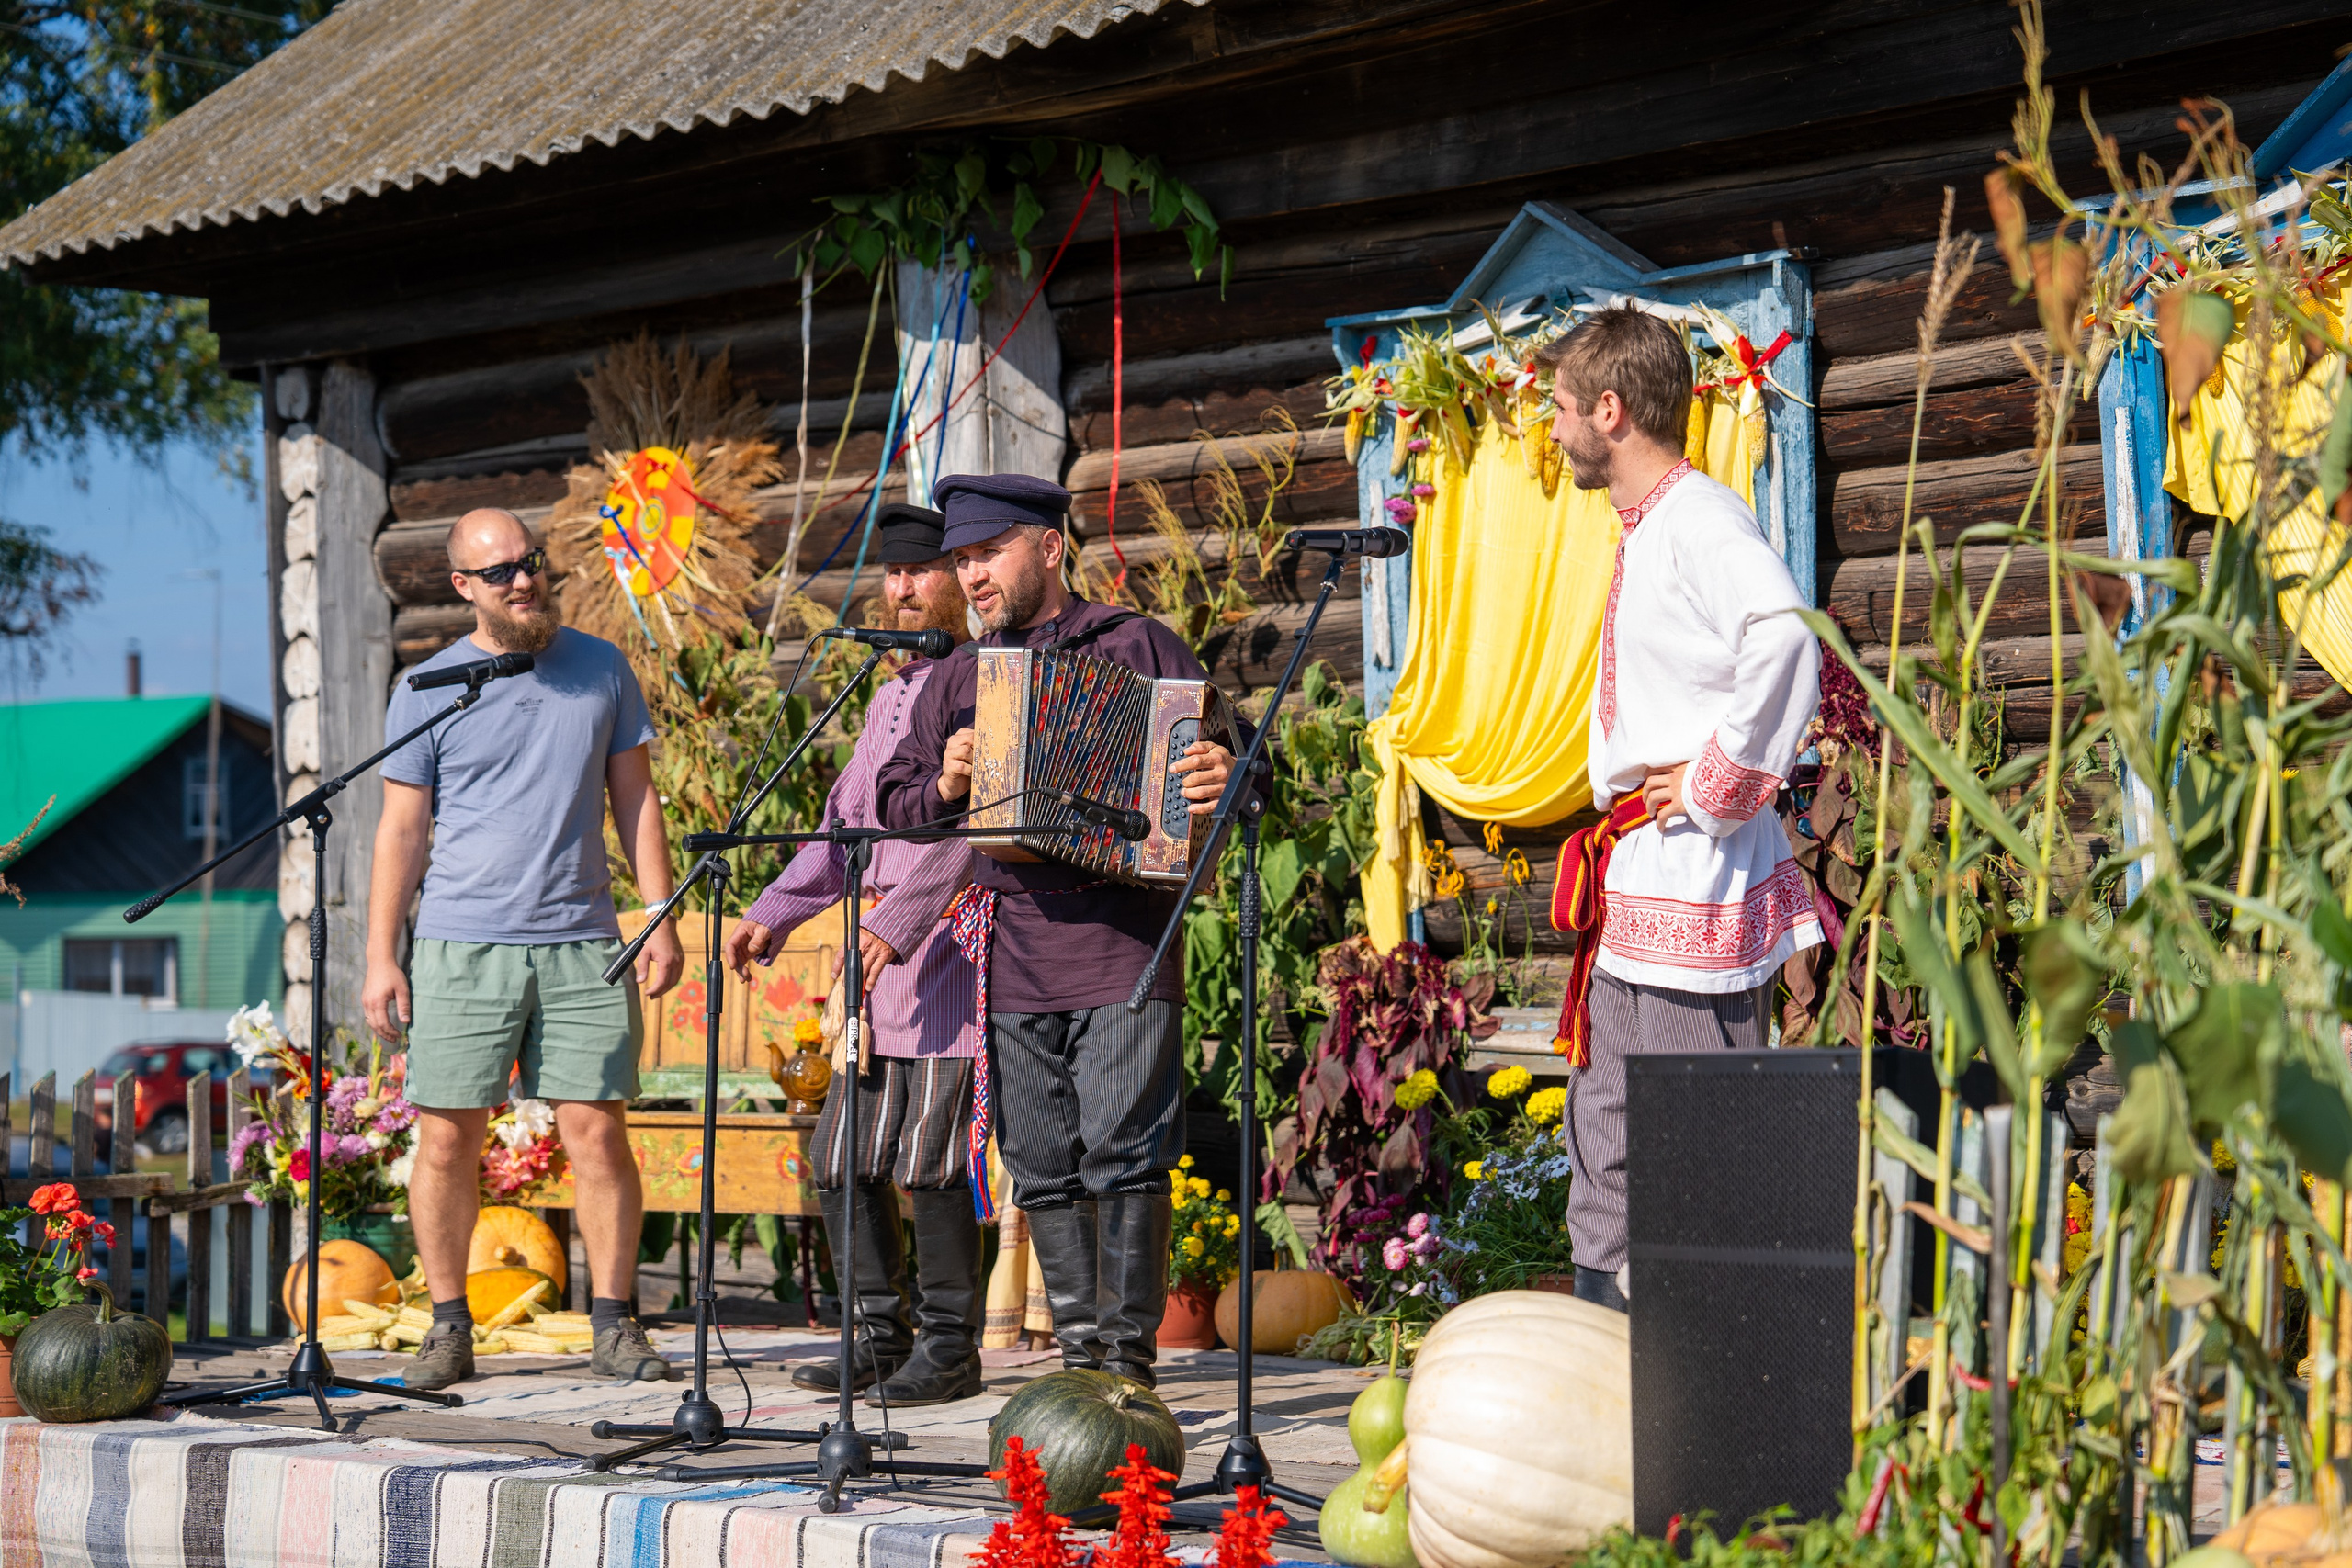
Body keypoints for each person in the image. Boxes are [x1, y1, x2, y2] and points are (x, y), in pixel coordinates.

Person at [873, 473, 1253, 1388]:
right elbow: (897, 799)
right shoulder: (961, 674)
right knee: (1040, 1163)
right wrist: (947, 783)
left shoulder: (1136, 643)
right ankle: (1081, 1365)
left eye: (988, 554)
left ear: (1048, 549)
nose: (971, 576)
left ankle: (1127, 1367)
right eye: (961, 560)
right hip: (1015, 951)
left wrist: (1221, 767)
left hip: (1125, 943)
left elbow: (1244, 760)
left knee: (1126, 1156)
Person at [363, 506, 685, 1390]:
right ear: (463, 586)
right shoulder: (428, 685)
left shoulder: (601, 667)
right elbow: (401, 830)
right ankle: (447, 1325)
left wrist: (658, 914)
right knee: (445, 1142)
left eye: (530, 561)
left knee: (598, 1135)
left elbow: (637, 799)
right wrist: (382, 954)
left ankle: (615, 1324)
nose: (523, 580)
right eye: (500, 570)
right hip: (462, 944)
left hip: (584, 941)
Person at [1543, 306, 1823, 1313]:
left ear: (1610, 410)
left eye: (1561, 407)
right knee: (1608, 1124)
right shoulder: (1650, 526)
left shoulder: (1701, 518)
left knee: (1697, 1138)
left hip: (1697, 874)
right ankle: (1603, 1346)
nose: (1553, 428)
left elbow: (1787, 633)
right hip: (1639, 875)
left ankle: (1703, 1366)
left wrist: (1713, 785)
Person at [725, 503, 988, 1407]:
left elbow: (977, 832)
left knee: (931, 1159)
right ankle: (878, 1336)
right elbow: (843, 828)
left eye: (923, 571)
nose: (904, 589)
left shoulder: (982, 682)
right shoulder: (885, 696)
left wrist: (898, 922)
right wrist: (774, 911)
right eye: (895, 573)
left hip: (946, 948)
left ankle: (950, 1348)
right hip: (873, 971)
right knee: (841, 1157)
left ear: (959, 581)